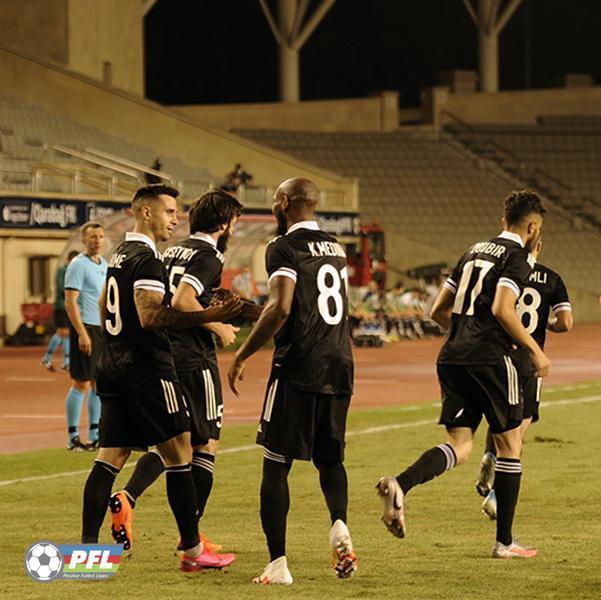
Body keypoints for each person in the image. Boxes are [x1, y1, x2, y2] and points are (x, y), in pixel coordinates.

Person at [376, 190, 550, 560]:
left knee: (460, 446)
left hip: (452, 356)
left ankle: (401, 484)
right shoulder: (518, 257)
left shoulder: (472, 251)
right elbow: (503, 309)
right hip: (491, 358)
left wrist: (464, 335)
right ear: (533, 227)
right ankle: (504, 543)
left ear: (503, 220)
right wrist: (534, 350)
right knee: (510, 447)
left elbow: (436, 309)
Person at [80, 184, 241, 573]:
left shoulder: (119, 254)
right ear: (145, 212)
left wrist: (116, 344)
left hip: (113, 368)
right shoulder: (147, 259)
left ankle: (86, 555)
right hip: (148, 370)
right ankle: (192, 550)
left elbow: (103, 305)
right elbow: (151, 315)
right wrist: (211, 317)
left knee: (110, 458)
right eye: (169, 211)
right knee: (182, 453)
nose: (175, 218)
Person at [227, 178, 358, 585]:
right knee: (330, 459)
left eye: (274, 200)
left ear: (284, 202)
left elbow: (281, 307)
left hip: (299, 365)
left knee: (276, 464)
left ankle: (278, 563)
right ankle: (339, 525)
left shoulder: (282, 247)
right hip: (339, 362)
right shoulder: (336, 247)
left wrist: (243, 354)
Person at [476, 237, 573, 519]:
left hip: (498, 357)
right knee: (517, 433)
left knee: (500, 415)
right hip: (529, 361)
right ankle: (496, 495)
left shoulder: (501, 273)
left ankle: (490, 455)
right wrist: (547, 324)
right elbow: (566, 323)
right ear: (538, 246)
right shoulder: (552, 279)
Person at [63, 224, 108, 450]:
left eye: (100, 236)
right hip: (86, 329)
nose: (97, 241)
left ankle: (94, 435)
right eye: (92, 237)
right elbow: (70, 302)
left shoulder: (105, 264)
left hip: (101, 330)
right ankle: (73, 437)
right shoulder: (78, 265)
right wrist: (81, 333)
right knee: (81, 383)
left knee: (98, 384)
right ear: (84, 240)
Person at [41, 250, 79, 372]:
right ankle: (47, 358)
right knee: (62, 332)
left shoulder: (73, 271)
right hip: (61, 307)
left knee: (67, 333)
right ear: (70, 260)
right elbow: (63, 288)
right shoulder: (62, 270)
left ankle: (66, 361)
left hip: (69, 306)